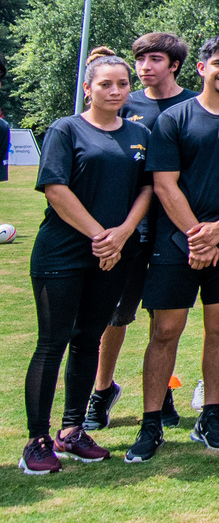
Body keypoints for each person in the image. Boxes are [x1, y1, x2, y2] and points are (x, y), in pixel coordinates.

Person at [126, 35, 219, 463]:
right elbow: (163, 183)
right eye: (218, 63)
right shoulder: (174, 118)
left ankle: (210, 416)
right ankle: (151, 423)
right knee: (165, 332)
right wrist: (198, 234)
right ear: (201, 69)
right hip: (177, 240)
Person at [21, 54, 154, 475]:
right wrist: (101, 235)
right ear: (88, 88)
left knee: (88, 340)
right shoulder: (66, 129)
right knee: (52, 341)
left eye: (122, 84)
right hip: (63, 252)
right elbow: (55, 189)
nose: (115, 91)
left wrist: (123, 234)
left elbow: (147, 190)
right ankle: (37, 441)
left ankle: (72, 431)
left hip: (115, 253)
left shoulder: (139, 134)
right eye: (106, 84)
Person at [88, 32, 195, 433]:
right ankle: (102, 390)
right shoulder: (123, 104)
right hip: (127, 230)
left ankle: (162, 391)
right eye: (140, 59)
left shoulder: (193, 105)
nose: (145, 67)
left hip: (173, 231)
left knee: (164, 320)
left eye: (154, 59)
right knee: (115, 316)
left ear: (174, 65)